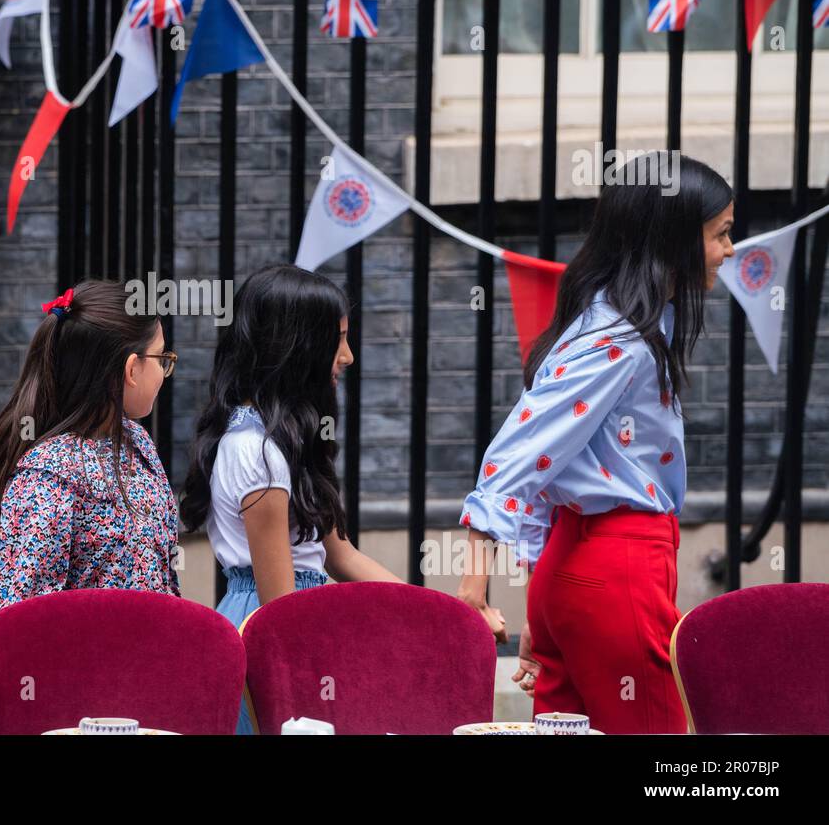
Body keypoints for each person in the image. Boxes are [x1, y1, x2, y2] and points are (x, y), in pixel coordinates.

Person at [456, 151, 735, 734]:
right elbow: (516, 457)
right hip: (618, 569)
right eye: (721, 234)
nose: (729, 251)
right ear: (673, 239)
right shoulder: (621, 341)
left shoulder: (607, 323)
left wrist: (546, 597)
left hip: (574, 568)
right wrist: (472, 591)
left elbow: (554, 461)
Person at [181, 264, 403, 734]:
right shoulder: (255, 450)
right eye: (337, 339)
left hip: (298, 618)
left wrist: (431, 612)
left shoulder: (278, 441)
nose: (348, 356)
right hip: (274, 629)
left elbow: (339, 554)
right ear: (297, 346)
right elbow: (279, 604)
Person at [0, 280, 180, 611]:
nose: (164, 372)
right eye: (161, 357)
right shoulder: (46, 478)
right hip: (85, 662)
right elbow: (19, 620)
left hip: (153, 659)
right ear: (132, 368)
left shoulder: (139, 443)